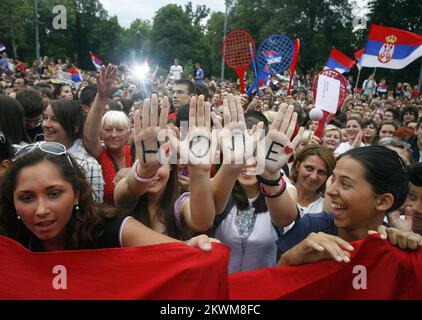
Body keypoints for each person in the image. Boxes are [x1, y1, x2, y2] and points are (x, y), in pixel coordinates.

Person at [0, 143, 216, 252]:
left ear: (76, 195)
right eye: (27, 198)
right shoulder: (7, 239)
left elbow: (178, 251)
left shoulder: (110, 228)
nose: (41, 210)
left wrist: (192, 247)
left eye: (54, 194)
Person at [277, 146, 421, 267]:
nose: (331, 191)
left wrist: (410, 255)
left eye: (345, 184)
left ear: (383, 201)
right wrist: (291, 258)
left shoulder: (395, 245)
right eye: (332, 179)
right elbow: (272, 282)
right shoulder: (310, 227)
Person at [209, 97, 303, 273]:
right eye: (242, 154)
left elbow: (285, 218)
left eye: (255, 153)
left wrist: (270, 176)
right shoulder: (217, 184)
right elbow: (203, 215)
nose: (248, 162)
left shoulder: (282, 185)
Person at [114, 94, 216, 240]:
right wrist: (145, 170)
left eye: (161, 161)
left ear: (172, 167)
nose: (154, 170)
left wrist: (199, 172)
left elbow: (202, 223)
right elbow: (125, 193)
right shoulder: (126, 195)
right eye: (143, 161)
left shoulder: (179, 204)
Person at [83, 65, 132, 205]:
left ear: (128, 133)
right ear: (101, 133)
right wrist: (101, 96)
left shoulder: (135, 153)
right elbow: (89, 136)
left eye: (120, 130)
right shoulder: (99, 154)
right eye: (108, 129)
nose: (114, 135)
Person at [42, 99, 104, 203]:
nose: (46, 124)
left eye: (55, 119)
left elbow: (95, 210)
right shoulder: (35, 152)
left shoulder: (87, 165)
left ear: (74, 128)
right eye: (45, 118)